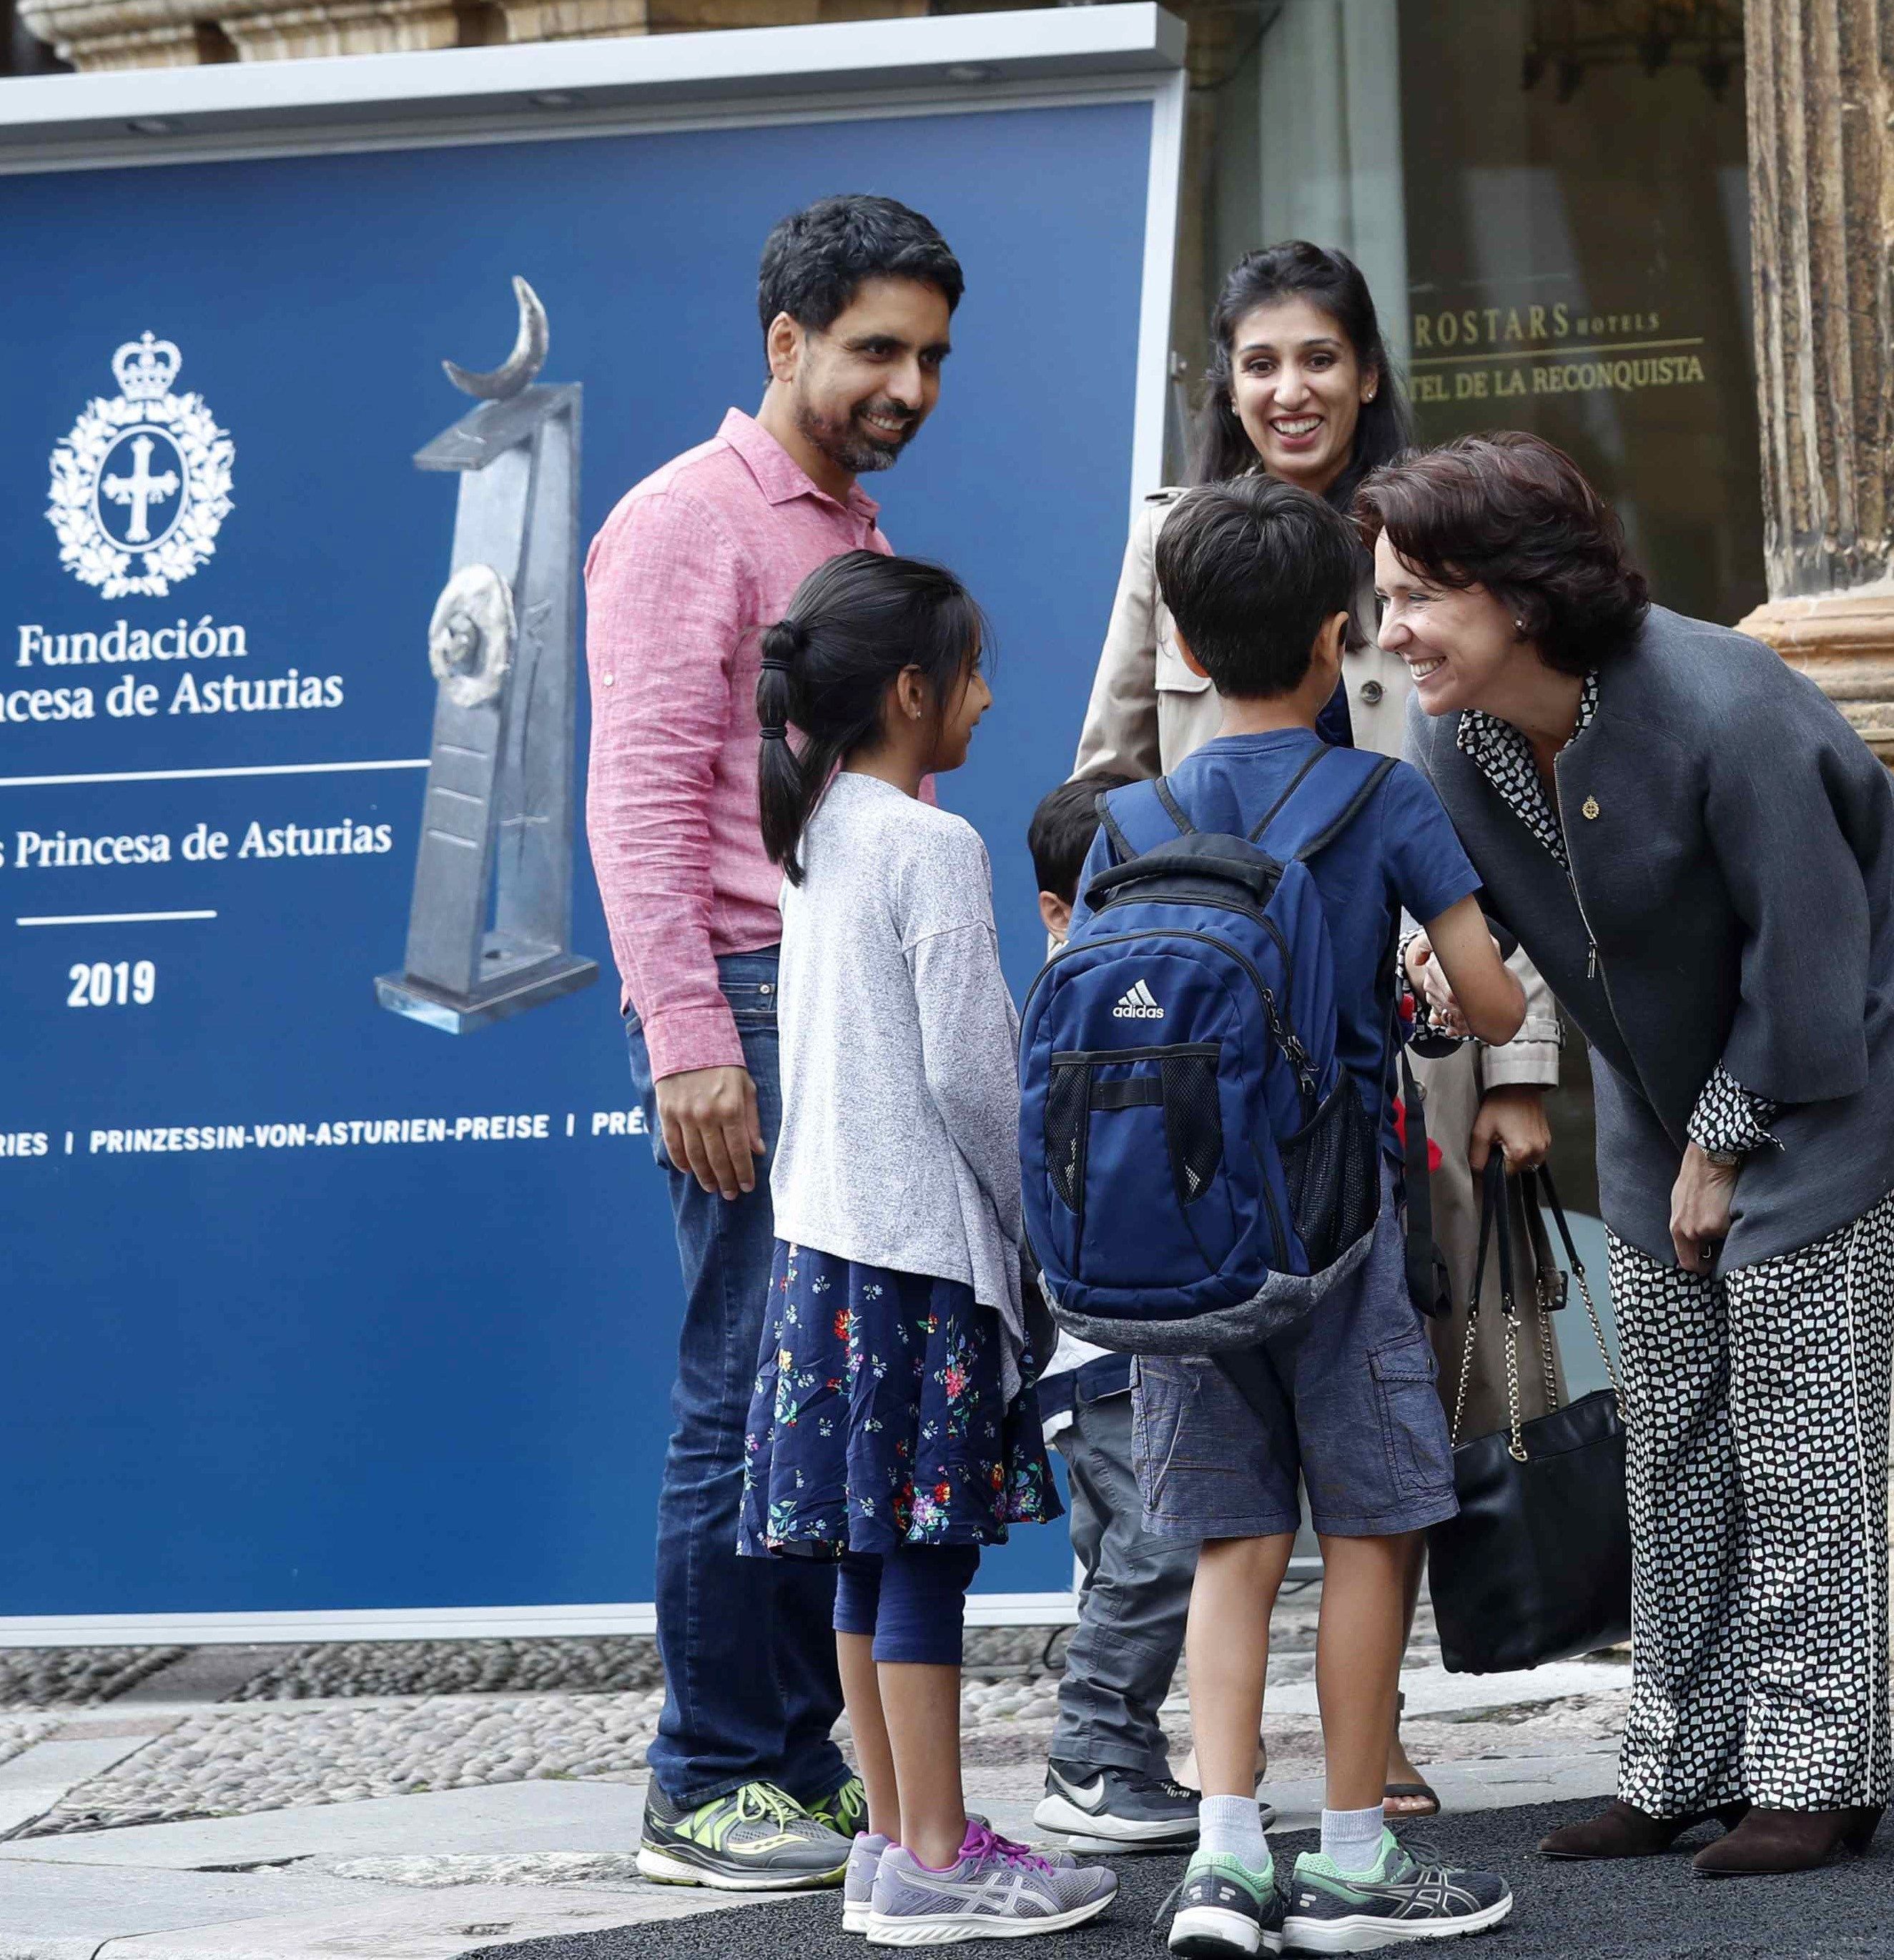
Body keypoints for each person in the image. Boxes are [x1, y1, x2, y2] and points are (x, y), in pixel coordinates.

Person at [1362, 432, 1894, 1879]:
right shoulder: (1457, 740)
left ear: (1520, 595)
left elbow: (1816, 948)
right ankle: (1677, 1761)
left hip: (1845, 1031)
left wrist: (1726, 1138)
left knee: (1790, 1398)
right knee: (1671, 1404)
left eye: (1416, 599)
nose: (1389, 631)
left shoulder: (1724, 702)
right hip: (1662, 1054)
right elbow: (1490, 936)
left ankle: (1819, 1769)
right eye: (1383, 596)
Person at [1073, 239, 1562, 1820]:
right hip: (1228, 1100)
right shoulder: (1176, 545)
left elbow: (1511, 809)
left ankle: (1310, 1779)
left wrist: (1524, 1074)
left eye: (1320, 358)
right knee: (1352, 1473)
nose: (1290, 387)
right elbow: (1094, 787)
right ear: (1227, 378)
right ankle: (1247, 1778)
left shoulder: (1429, 538)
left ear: (1367, 373)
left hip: (1406, 1097)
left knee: (1312, 1469)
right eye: (1262, 360)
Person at [588, 192, 964, 1890]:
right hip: (745, 1004)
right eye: (879, 348)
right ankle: (709, 1776)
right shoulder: (688, 520)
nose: (910, 381)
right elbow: (641, 796)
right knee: (747, 1388)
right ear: (787, 342)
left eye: (934, 355)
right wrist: (685, 1035)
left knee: (821, 1396)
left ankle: (796, 1766)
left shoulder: (845, 525)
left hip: (823, 998)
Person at [738, 550, 1117, 1944]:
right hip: (915, 1262)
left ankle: (897, 1843)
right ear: (912, 690)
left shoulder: (820, 832)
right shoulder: (935, 845)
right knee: (924, 1562)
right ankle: (943, 1858)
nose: (986, 692)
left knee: (862, 1554)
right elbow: (972, 1074)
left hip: (821, 1257)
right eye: (968, 670)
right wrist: (1041, 1227)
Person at [1022, 773, 1270, 1851]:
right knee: (1158, 1549)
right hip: (1095, 1347)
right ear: (1054, 909)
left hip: (1130, 1339)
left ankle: (1121, 1750)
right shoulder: (1064, 1003)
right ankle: (1091, 1755)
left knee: (1131, 1551)